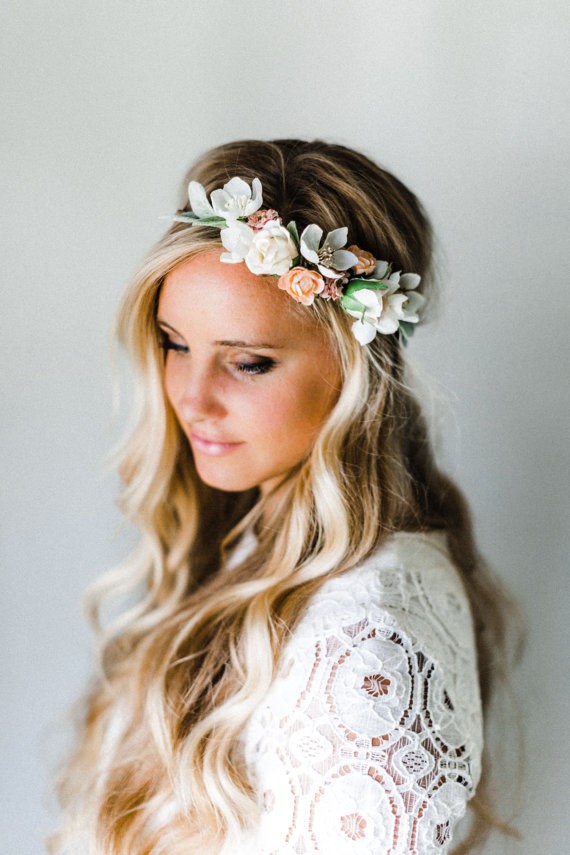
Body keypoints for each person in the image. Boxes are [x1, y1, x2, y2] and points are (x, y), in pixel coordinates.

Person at [51, 139, 515, 854]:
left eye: (247, 362)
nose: (191, 398)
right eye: (175, 344)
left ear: (356, 366)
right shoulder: (259, 547)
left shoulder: (364, 637)